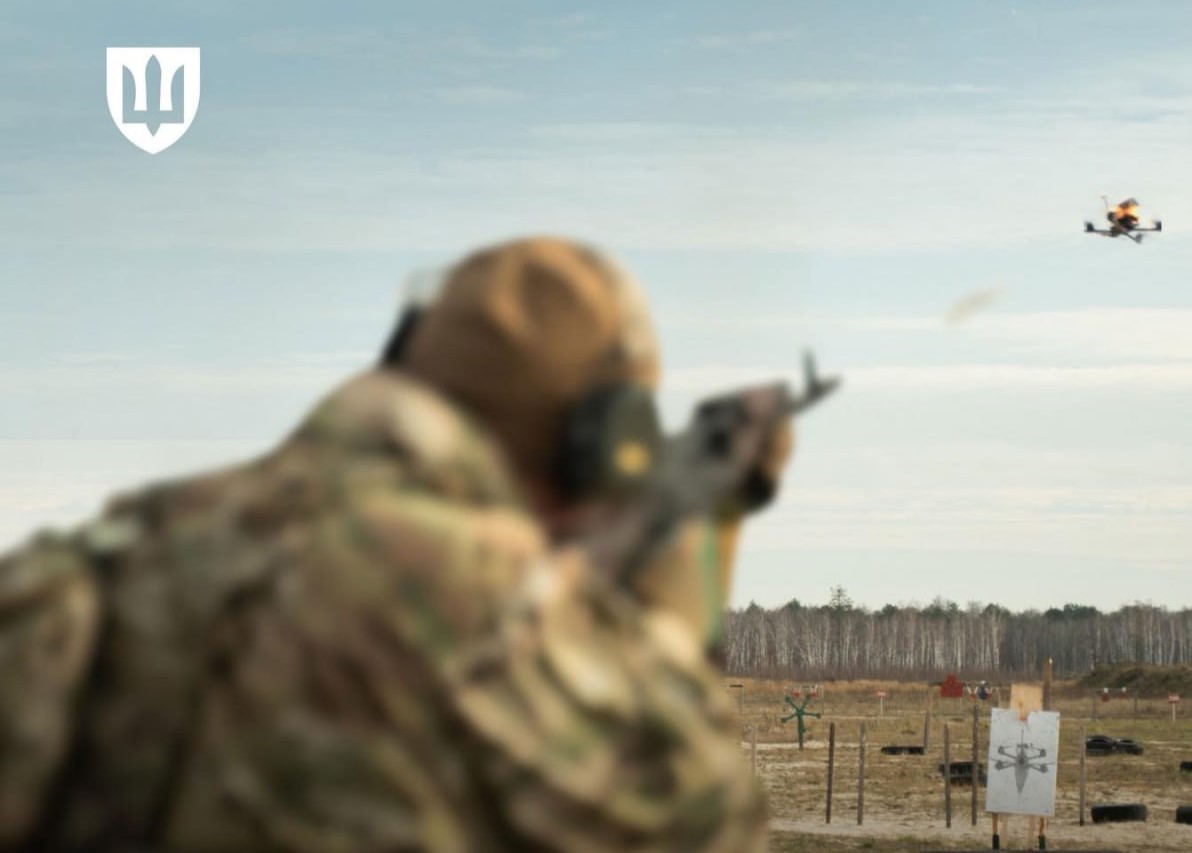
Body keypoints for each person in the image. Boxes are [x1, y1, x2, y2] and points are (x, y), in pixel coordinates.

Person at [0, 237, 792, 851]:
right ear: (601, 441)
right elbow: (703, 819)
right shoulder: (481, 595)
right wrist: (683, 552)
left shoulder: (124, 547)